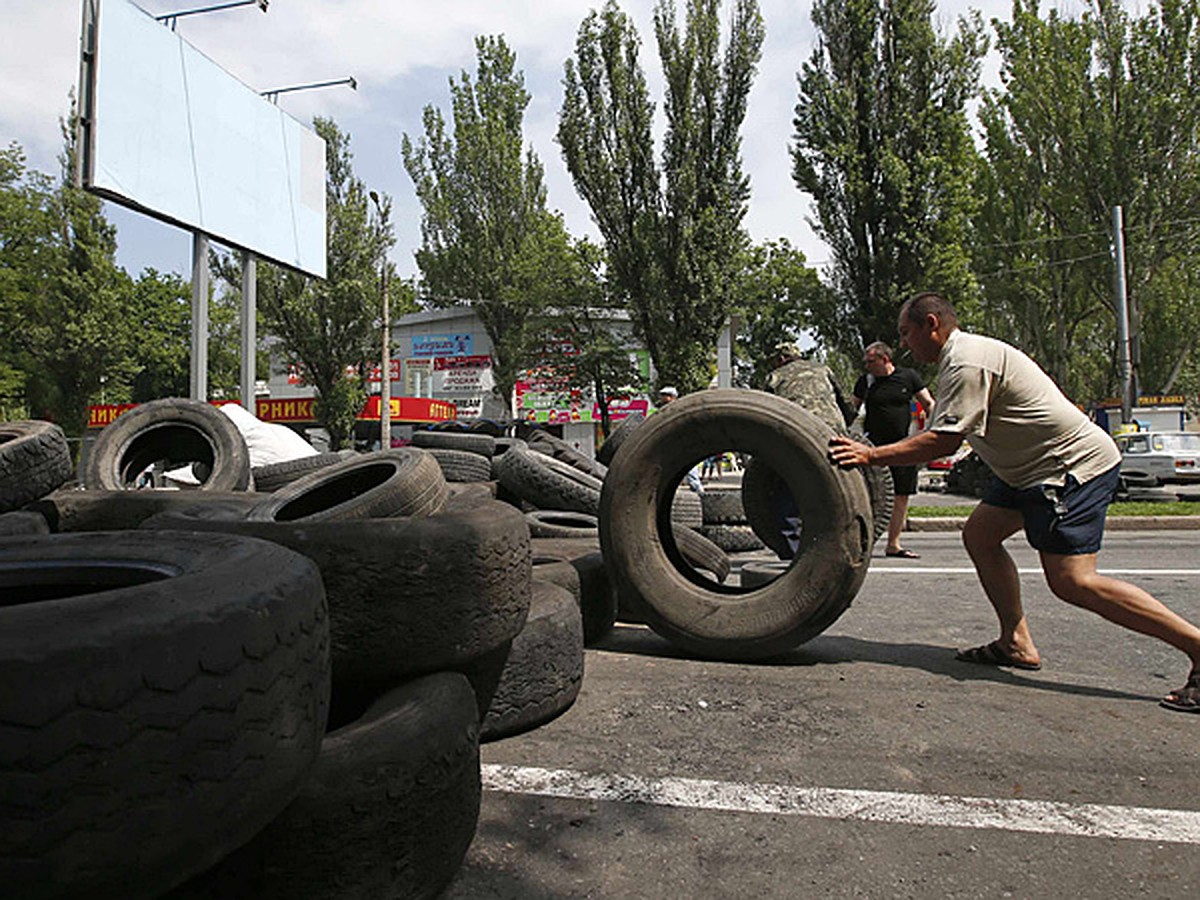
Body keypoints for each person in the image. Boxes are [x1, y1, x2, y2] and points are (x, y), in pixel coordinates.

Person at [828, 291, 1200, 714]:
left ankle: (1197, 647)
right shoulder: (957, 359)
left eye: (906, 333)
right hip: (1026, 471)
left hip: (1068, 467)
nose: (903, 345)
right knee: (981, 536)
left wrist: (871, 455)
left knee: (1073, 581)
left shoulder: (967, 362)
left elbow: (944, 440)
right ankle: (1016, 642)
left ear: (931, 324)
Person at [852, 341, 935, 558]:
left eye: (871, 361)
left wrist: (932, 431)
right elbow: (852, 408)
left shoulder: (908, 377)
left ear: (885, 359)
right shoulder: (866, 382)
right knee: (870, 495)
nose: (867, 366)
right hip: (872, 448)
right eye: (866, 362)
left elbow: (928, 403)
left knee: (901, 495)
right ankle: (863, 543)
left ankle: (893, 544)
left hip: (904, 445)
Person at [657, 386, 704, 494]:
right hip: (669, 445)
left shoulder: (680, 409)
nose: (663, 397)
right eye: (662, 395)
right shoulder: (661, 411)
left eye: (666, 395)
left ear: (673, 397)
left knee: (691, 470)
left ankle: (699, 491)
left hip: (685, 444)